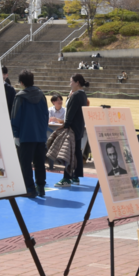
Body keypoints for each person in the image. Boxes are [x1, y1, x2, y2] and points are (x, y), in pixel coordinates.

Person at [11, 70, 49, 198]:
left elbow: (15, 117)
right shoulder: (42, 95)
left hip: (26, 136)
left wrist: (16, 134)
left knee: (25, 164)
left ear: (21, 82)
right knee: (39, 163)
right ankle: (41, 187)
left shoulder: (20, 97)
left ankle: (29, 188)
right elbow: (46, 115)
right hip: (40, 135)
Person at [56, 74, 89, 186]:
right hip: (78, 128)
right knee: (76, 152)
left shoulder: (76, 95)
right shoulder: (82, 94)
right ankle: (76, 177)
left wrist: (66, 126)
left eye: (71, 82)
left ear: (77, 82)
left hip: (72, 129)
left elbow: (70, 113)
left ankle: (67, 178)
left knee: (68, 152)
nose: (70, 84)